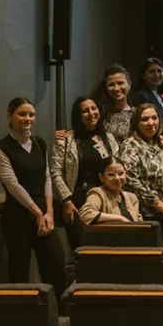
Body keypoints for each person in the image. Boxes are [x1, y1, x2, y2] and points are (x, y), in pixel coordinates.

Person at [0, 97, 66, 295]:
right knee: (20, 268)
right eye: (22, 114)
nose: (27, 118)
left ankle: (58, 309)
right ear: (10, 116)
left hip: (44, 210)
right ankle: (23, 311)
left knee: (55, 263)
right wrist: (37, 213)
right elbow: (13, 185)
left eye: (31, 114)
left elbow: (46, 177)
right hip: (17, 213)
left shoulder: (40, 143)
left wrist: (49, 212)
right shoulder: (0, 147)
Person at [50, 96, 119, 248]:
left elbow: (118, 167)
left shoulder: (108, 138)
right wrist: (66, 200)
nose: (91, 113)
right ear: (78, 115)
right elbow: (56, 172)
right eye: (85, 111)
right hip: (77, 201)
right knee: (82, 248)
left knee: (107, 247)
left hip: (105, 199)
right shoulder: (65, 139)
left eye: (94, 109)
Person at [119, 103, 163, 233]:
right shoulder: (130, 145)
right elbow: (131, 180)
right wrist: (157, 203)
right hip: (146, 214)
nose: (151, 123)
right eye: (145, 119)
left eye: (154, 118)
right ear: (136, 123)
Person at [78, 157, 143, 224]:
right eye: (111, 174)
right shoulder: (98, 194)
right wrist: (119, 218)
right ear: (101, 177)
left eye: (121, 173)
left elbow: (140, 223)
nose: (117, 178)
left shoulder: (132, 198)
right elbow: (86, 214)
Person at [129, 57, 163, 131]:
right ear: (143, 76)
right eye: (152, 72)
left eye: (159, 71)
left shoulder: (159, 96)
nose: (157, 75)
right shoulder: (141, 96)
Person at [93, 63, 134, 140]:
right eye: (111, 85)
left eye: (120, 83)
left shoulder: (137, 114)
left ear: (129, 85)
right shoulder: (99, 114)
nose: (116, 88)